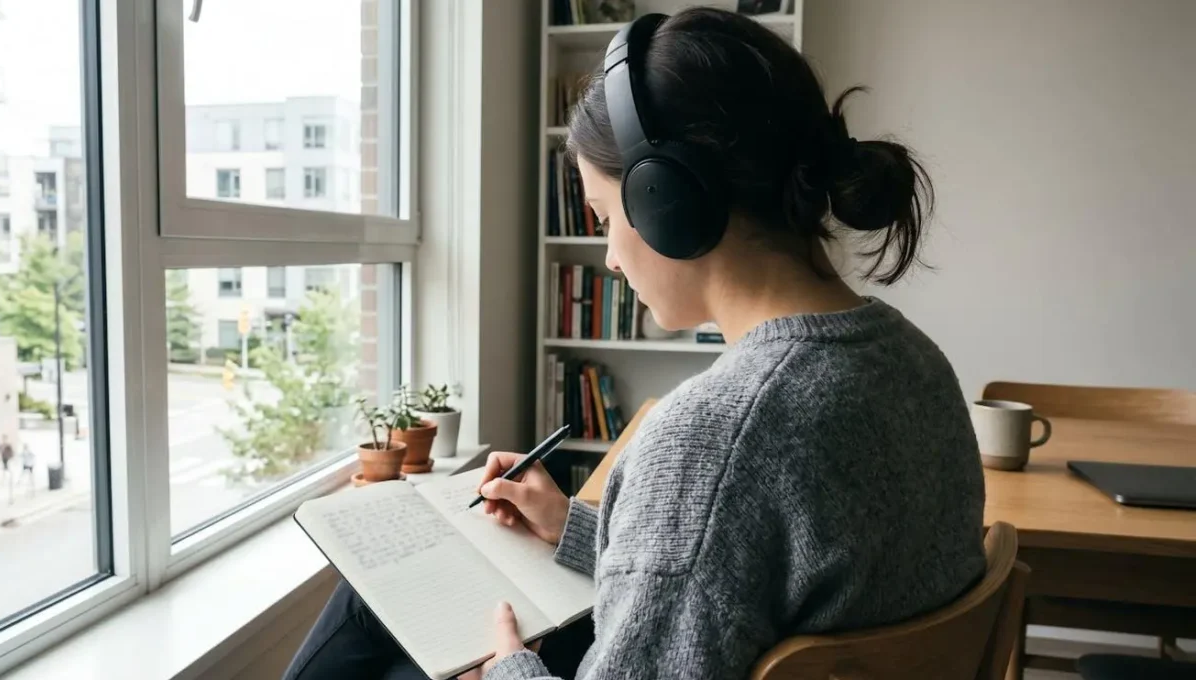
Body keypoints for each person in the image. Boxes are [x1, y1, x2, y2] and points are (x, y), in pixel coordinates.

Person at [283, 8, 985, 680]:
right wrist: (573, 528)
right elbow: (734, 579)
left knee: (374, 611)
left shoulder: (714, 436)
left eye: (605, 216)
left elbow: (724, 532)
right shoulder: (916, 359)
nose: (610, 257)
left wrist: (509, 670)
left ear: (667, 201)